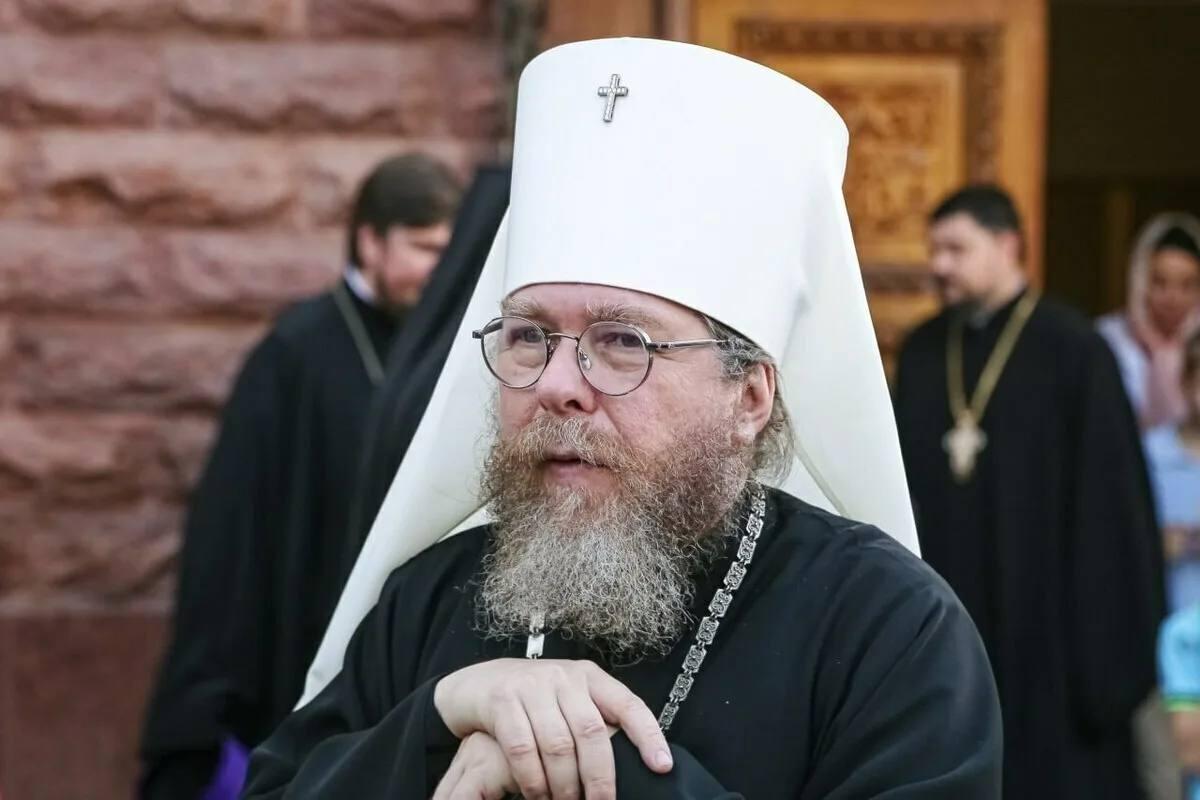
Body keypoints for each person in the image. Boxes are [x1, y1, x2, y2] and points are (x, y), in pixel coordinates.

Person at [243, 38, 1001, 799]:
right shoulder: (430, 601)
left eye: (622, 343)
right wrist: (438, 719)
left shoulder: (887, 629)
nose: (557, 386)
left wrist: (589, 768)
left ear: (749, 398)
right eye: (529, 336)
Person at [138, 153, 462, 799]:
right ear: (370, 241)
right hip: (297, 628)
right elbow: (234, 526)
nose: (439, 270)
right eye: (425, 248)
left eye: (447, 253)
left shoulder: (445, 346)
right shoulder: (296, 349)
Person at [894, 184, 1165, 800]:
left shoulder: (1074, 351)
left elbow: (1113, 514)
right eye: (934, 250)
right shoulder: (925, 352)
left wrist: (1103, 664)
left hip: (1053, 640)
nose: (939, 265)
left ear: (1008, 245)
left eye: (956, 249)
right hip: (949, 624)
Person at [1099, 213, 1200, 430]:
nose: (1173, 298)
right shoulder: (1107, 341)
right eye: (1160, 282)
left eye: (1187, 285)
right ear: (1140, 281)